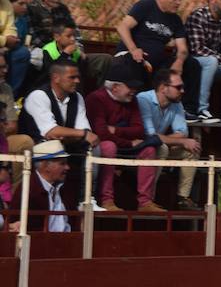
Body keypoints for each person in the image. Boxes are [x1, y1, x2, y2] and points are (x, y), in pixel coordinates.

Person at [87, 76, 163, 212]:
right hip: (107, 145)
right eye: (130, 87)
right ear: (115, 87)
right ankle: (107, 200)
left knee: (149, 150)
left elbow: (139, 130)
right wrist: (129, 142)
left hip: (126, 145)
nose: (134, 91)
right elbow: (101, 133)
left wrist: (116, 130)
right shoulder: (96, 99)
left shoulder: (131, 100)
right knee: (109, 146)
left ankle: (145, 202)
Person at [19, 59, 98, 181]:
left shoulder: (77, 97)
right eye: (72, 77)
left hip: (66, 148)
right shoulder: (38, 95)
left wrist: (72, 135)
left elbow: (85, 130)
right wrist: (82, 134)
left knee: (95, 148)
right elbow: (51, 131)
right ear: (56, 78)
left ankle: (87, 195)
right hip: (37, 150)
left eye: (78, 77)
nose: (77, 81)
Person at [136, 69, 203, 210]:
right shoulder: (144, 99)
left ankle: (183, 198)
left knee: (192, 148)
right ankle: (147, 200)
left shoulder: (176, 103)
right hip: (140, 147)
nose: (183, 90)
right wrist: (177, 140)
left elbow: (182, 133)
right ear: (162, 88)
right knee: (162, 148)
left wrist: (174, 140)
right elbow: (150, 136)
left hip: (159, 144)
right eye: (178, 87)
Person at [108, 0, 189, 92]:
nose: (179, 3)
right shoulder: (146, 6)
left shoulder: (176, 20)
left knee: (192, 64)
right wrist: (134, 50)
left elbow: (182, 48)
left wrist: (179, 62)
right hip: (132, 55)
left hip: (157, 61)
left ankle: (189, 107)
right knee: (135, 64)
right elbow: (122, 27)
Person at [27, 140, 77, 233]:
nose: (67, 167)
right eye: (62, 163)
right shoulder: (29, 189)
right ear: (46, 166)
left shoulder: (66, 188)